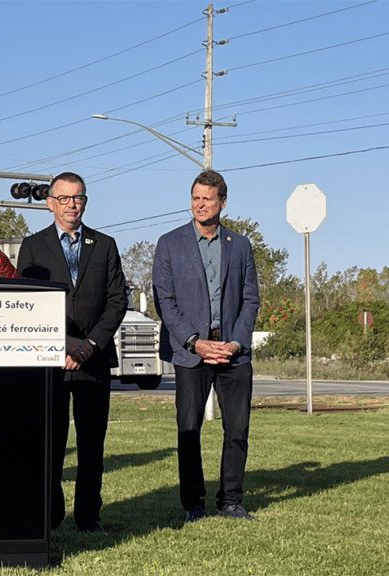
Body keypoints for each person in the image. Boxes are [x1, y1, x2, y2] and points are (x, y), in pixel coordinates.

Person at [17, 172, 127, 534]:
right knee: (50, 444)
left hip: (93, 361)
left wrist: (88, 346)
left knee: (91, 446)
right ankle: (48, 516)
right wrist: (63, 346)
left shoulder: (105, 245)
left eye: (77, 198)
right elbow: (28, 303)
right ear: (50, 203)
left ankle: (88, 518)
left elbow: (116, 301)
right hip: (50, 363)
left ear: (85, 201)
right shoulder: (33, 246)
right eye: (63, 198)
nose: (71, 205)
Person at [151, 169, 261, 523]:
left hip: (233, 353)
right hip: (189, 353)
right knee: (188, 430)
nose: (200, 205)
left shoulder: (240, 245)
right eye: (195, 198)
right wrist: (194, 343)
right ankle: (193, 505)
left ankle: (230, 500)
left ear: (222, 203)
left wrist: (236, 342)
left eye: (207, 199)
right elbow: (165, 301)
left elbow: (250, 299)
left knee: (238, 430)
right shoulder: (169, 244)